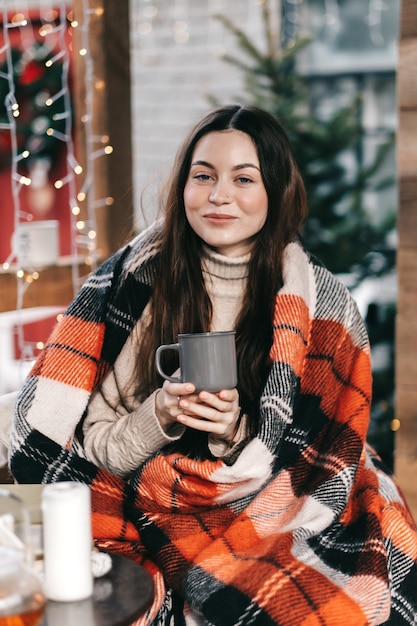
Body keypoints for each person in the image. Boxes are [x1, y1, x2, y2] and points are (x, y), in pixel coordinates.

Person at [9, 104, 417, 625]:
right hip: (169, 502)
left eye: (243, 178)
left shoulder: (322, 303)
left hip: (293, 497)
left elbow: (320, 450)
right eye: (204, 176)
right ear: (184, 186)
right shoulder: (142, 284)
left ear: (276, 191)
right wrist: (158, 416)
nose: (219, 195)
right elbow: (96, 444)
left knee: (355, 598)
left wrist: (235, 433)